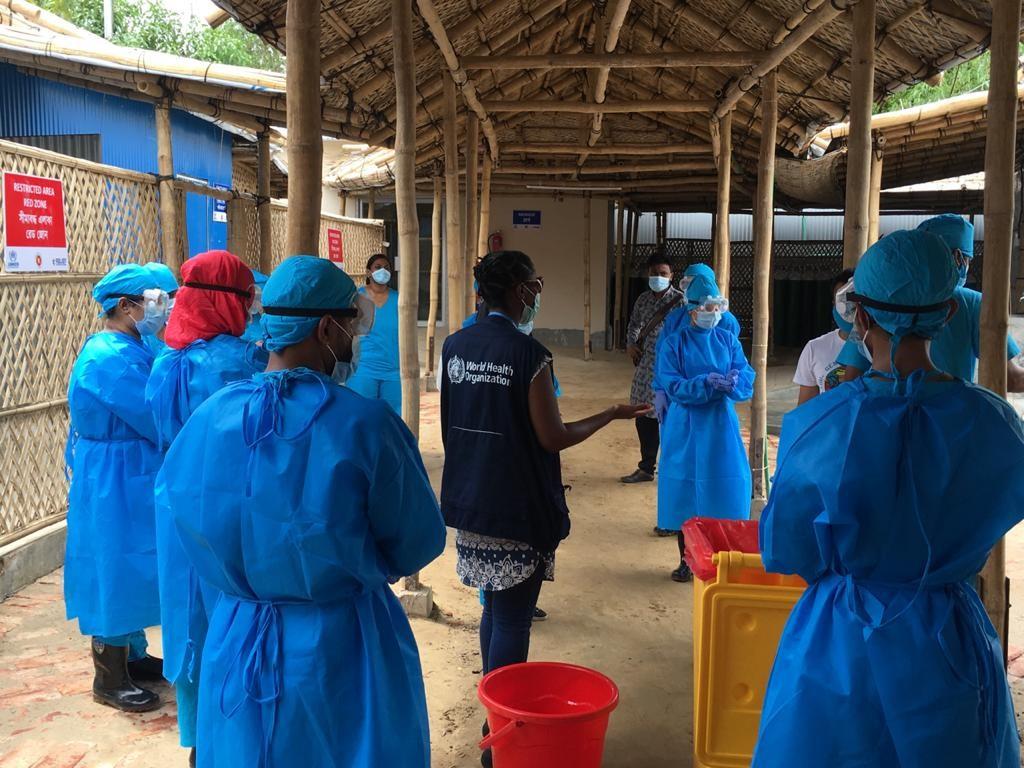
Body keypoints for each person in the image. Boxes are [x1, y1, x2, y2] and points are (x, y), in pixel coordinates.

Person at [156, 255, 445, 768]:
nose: (355, 338)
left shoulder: (211, 419)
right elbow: (416, 540)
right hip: (343, 641)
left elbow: (185, 519)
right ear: (327, 328)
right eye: (352, 324)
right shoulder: (365, 426)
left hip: (239, 634)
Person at [754, 229, 1024, 768]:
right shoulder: (995, 423)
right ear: (949, 312)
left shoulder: (821, 424)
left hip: (842, 634)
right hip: (947, 633)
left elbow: (786, 549)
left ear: (859, 317)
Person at [440, 251, 648, 767]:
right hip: (516, 505)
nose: (538, 293)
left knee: (495, 609)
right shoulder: (529, 354)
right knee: (513, 619)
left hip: (471, 499)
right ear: (518, 291)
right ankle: (501, 733)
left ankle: (493, 715)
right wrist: (611, 412)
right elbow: (552, 436)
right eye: (534, 284)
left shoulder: (455, 345)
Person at [145, 250, 268, 766]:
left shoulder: (165, 361)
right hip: (228, 507)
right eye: (247, 296)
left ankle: (198, 742)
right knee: (236, 618)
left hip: (176, 502)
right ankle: (234, 739)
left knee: (188, 617)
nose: (252, 305)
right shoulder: (241, 363)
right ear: (227, 301)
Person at [64, 263, 168, 713]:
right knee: (113, 566)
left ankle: (134, 657)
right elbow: (154, 413)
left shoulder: (132, 345)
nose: (163, 309)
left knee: (134, 564)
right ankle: (108, 677)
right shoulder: (108, 356)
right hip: (112, 475)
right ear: (126, 305)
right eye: (157, 301)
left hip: (129, 469)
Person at [836, 214, 1024, 390]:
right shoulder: (973, 303)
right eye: (967, 259)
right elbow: (1010, 378)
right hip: (952, 410)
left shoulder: (876, 299)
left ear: (861, 317)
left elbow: (851, 377)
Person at [655, 293, 755, 582]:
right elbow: (672, 383)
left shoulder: (727, 340)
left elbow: (745, 374)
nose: (711, 312)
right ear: (692, 310)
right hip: (685, 424)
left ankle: (722, 559)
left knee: (724, 489)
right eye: (705, 307)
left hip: (720, 423)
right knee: (685, 493)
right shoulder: (675, 343)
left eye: (715, 307)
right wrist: (704, 383)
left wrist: (735, 382)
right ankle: (686, 560)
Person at [621, 251, 684, 490]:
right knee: (643, 416)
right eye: (654, 273)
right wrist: (631, 344)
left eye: (663, 273)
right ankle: (646, 468)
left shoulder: (681, 302)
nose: (658, 277)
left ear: (671, 275)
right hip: (646, 368)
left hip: (671, 371)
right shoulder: (643, 299)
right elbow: (634, 324)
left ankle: (673, 470)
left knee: (671, 419)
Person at [347, 253, 401, 413]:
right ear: (368, 272)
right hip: (362, 371)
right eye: (378, 267)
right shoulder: (356, 298)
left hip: (393, 372)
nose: (383, 271)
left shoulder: (400, 300)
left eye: (386, 268)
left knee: (392, 419)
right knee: (362, 416)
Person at [793, 269, 855, 405]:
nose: (849, 306)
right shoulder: (814, 348)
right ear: (833, 303)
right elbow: (806, 409)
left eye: (853, 299)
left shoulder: (882, 349)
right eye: (841, 299)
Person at [660, 263, 741, 340]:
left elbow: (733, 348)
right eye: (686, 284)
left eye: (694, 284)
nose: (690, 289)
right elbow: (663, 347)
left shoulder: (727, 321)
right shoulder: (675, 318)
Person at [141, 262, 178, 355]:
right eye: (165, 297)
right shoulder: (141, 336)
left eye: (174, 294)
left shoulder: (181, 327)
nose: (173, 301)